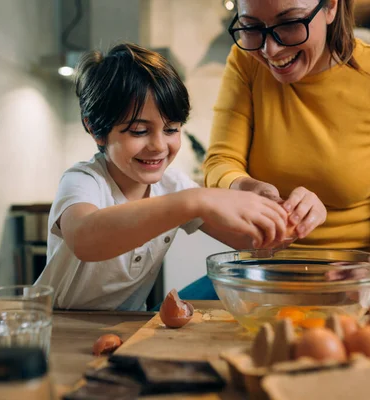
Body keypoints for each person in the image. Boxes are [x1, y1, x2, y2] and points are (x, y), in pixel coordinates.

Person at [200, 0, 370, 310]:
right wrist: (246, 187)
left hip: (348, 291)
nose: (270, 50)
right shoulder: (246, 61)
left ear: (330, 8)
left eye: (289, 23)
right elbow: (220, 163)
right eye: (252, 27)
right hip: (258, 284)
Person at [35, 43, 292, 311]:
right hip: (59, 328)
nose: (159, 146)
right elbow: (84, 240)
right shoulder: (84, 180)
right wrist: (194, 200)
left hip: (127, 331)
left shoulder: (174, 186)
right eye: (138, 131)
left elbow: (253, 242)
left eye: (171, 129)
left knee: (228, 278)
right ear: (96, 130)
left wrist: (289, 215)